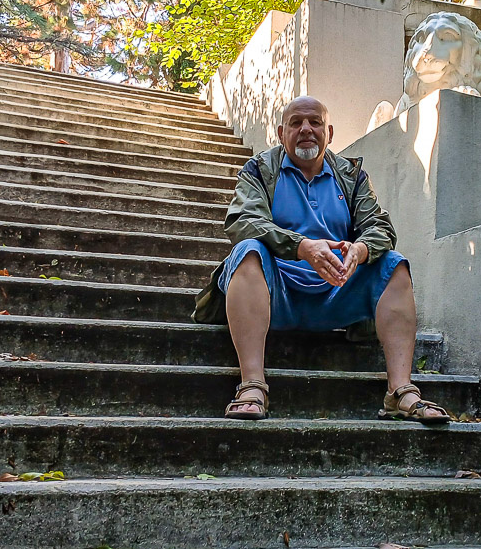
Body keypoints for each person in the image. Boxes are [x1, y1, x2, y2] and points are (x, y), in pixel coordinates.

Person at [192, 96, 452, 424]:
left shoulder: (352, 176)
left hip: (336, 294)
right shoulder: (259, 170)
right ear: (281, 133)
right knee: (246, 251)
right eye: (296, 123)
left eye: (315, 122)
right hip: (275, 294)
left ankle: (400, 391)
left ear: (329, 132)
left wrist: (360, 250)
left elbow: (380, 227)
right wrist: (303, 247)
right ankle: (252, 386)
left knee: (393, 263)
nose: (306, 129)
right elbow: (243, 221)